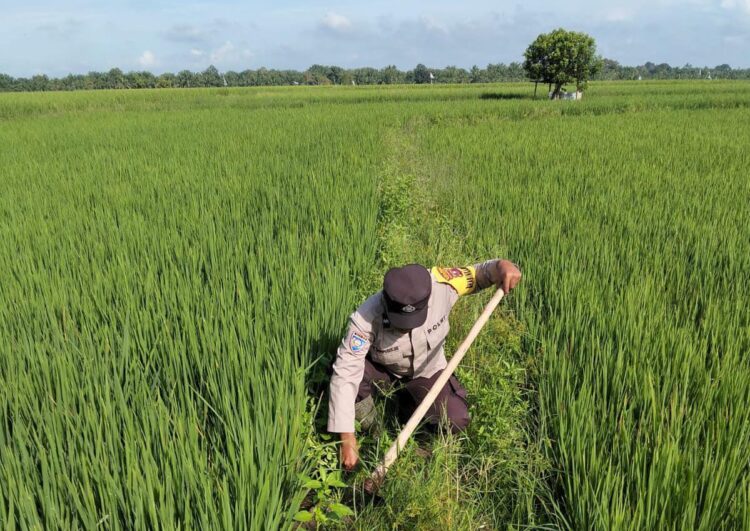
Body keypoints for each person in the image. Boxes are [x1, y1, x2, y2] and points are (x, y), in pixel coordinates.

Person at [327, 259, 522, 470]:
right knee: (348, 378)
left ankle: (411, 415)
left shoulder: (442, 285)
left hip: (427, 372)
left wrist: (502, 266)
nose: (406, 329)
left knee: (455, 418)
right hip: (385, 372)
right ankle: (375, 430)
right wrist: (346, 437)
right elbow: (345, 374)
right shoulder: (365, 318)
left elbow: (480, 273)